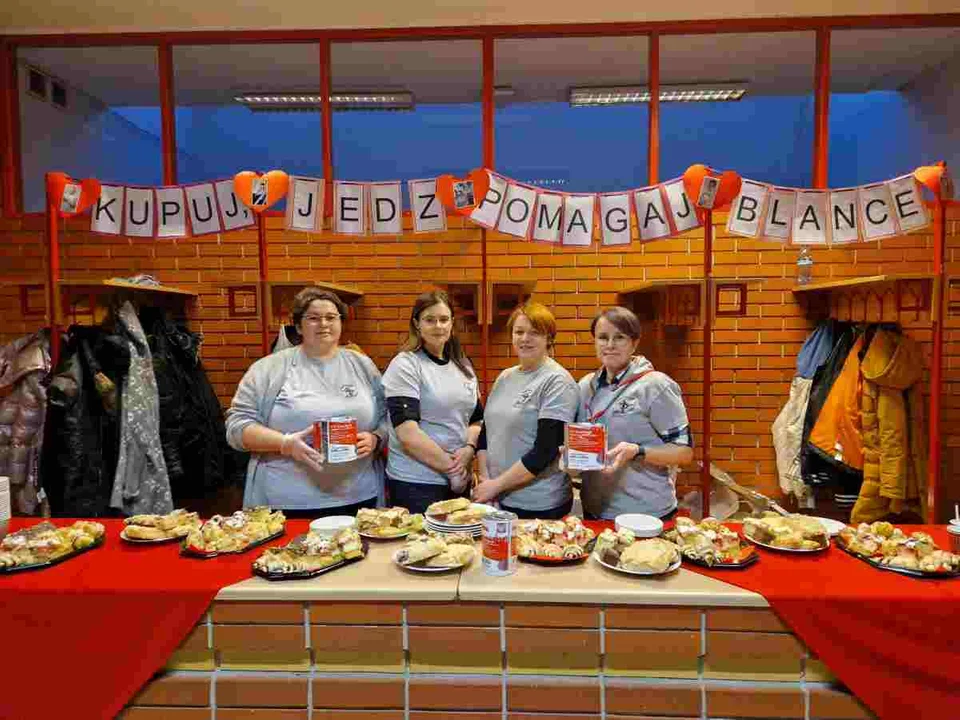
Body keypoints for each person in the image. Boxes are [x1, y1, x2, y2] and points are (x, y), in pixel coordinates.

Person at [225, 287, 388, 518]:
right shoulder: (268, 369)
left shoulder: (362, 365)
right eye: (313, 318)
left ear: (341, 323)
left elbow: (386, 418)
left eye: (331, 317)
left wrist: (376, 439)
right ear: (299, 326)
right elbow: (236, 428)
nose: (324, 324)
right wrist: (285, 443)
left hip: (359, 496)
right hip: (288, 501)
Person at [575, 306, 694, 520]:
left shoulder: (655, 385)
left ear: (635, 343)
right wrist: (569, 455)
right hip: (595, 511)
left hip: (646, 512)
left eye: (619, 337)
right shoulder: (586, 387)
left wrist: (638, 451)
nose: (610, 345)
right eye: (603, 337)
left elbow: (684, 452)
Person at [472, 302, 578, 519]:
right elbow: (486, 433)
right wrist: (486, 480)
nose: (525, 338)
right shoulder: (505, 377)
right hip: (497, 496)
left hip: (539, 503)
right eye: (519, 332)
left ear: (549, 338)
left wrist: (495, 485)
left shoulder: (557, 381)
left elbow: (545, 450)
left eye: (534, 333)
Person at [383, 290, 482, 513]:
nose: (438, 326)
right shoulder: (405, 365)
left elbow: (476, 420)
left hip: (458, 479)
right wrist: (453, 469)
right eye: (430, 320)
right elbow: (408, 434)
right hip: (416, 482)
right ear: (416, 324)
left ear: (452, 323)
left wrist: (469, 448)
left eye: (444, 319)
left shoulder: (463, 365)